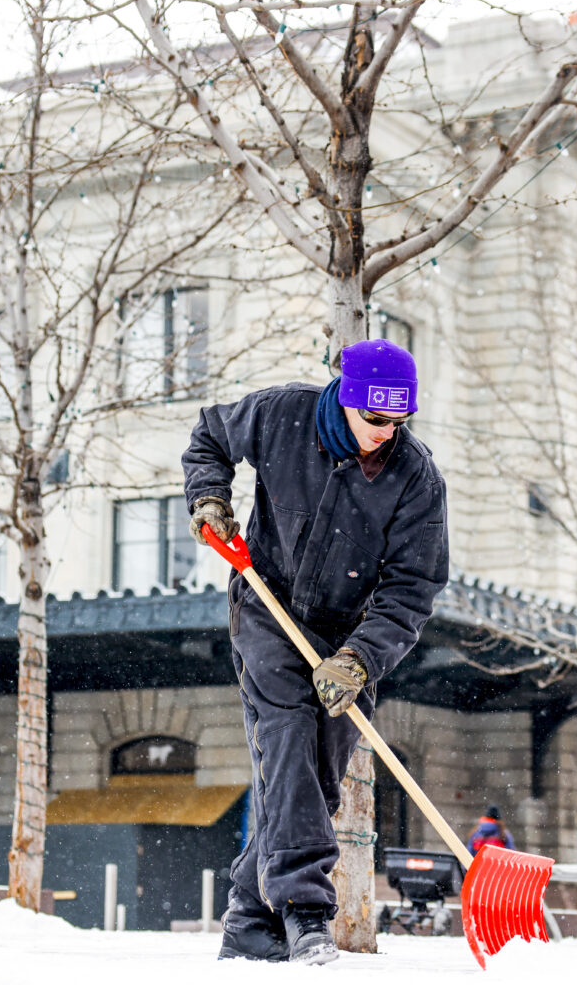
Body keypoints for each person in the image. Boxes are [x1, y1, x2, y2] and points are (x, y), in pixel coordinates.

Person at [182, 339, 449, 965]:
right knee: (288, 735)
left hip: (348, 633)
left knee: (315, 779)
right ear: (346, 398)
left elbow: (413, 588)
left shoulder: (416, 477)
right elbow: (209, 437)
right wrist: (210, 497)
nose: (387, 433)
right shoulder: (283, 415)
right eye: (376, 419)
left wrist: (359, 658)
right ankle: (306, 912)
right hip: (265, 601)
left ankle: (249, 918)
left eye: (399, 421)